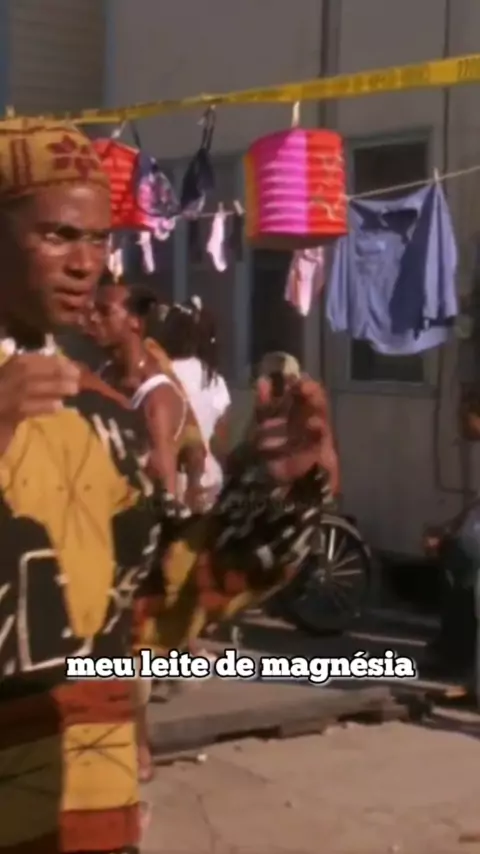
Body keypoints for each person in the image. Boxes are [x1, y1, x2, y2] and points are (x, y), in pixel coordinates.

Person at [0, 117, 334, 854]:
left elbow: (154, 610)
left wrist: (275, 496)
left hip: (92, 814)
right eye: (58, 235)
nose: (86, 264)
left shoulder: (100, 413)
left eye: (98, 240)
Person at [160, 296, 231, 507]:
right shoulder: (214, 380)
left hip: (171, 483)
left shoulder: (159, 373)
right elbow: (221, 440)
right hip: (210, 480)